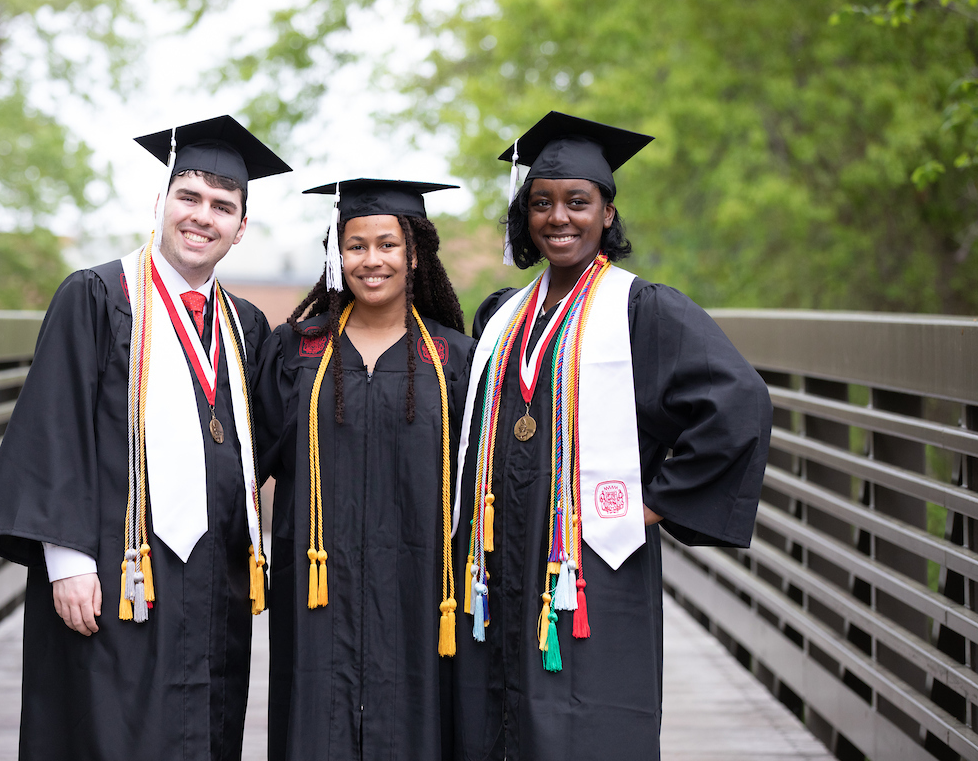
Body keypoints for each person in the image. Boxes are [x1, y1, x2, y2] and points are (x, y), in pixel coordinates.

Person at [452, 112, 772, 760]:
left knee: (589, 725)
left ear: (606, 212)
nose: (558, 217)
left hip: (591, 565)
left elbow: (738, 402)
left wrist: (652, 503)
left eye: (577, 202)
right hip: (501, 567)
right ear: (525, 215)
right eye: (541, 203)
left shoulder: (641, 310)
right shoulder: (501, 315)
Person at [0, 115, 290, 761]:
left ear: (241, 227)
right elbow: (53, 431)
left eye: (222, 206)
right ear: (160, 204)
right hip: (116, 577)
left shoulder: (245, 326)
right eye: (189, 197)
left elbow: (266, 442)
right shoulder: (96, 297)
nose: (203, 216)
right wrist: (67, 563)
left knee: (203, 732)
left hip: (210, 584)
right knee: (107, 733)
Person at [254, 179, 477, 761]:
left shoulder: (455, 358)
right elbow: (238, 463)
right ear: (336, 254)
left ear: (415, 254)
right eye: (356, 246)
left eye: (388, 244)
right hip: (317, 589)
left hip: (425, 588)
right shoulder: (295, 352)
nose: (371, 260)